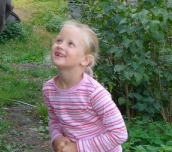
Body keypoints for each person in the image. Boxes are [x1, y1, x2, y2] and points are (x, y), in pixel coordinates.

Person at [42, 20, 128, 152]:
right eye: (59, 41)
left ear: (85, 60)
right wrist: (56, 138)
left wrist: (77, 148)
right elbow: (54, 120)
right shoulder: (49, 89)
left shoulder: (94, 93)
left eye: (70, 44)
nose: (60, 46)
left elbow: (119, 133)